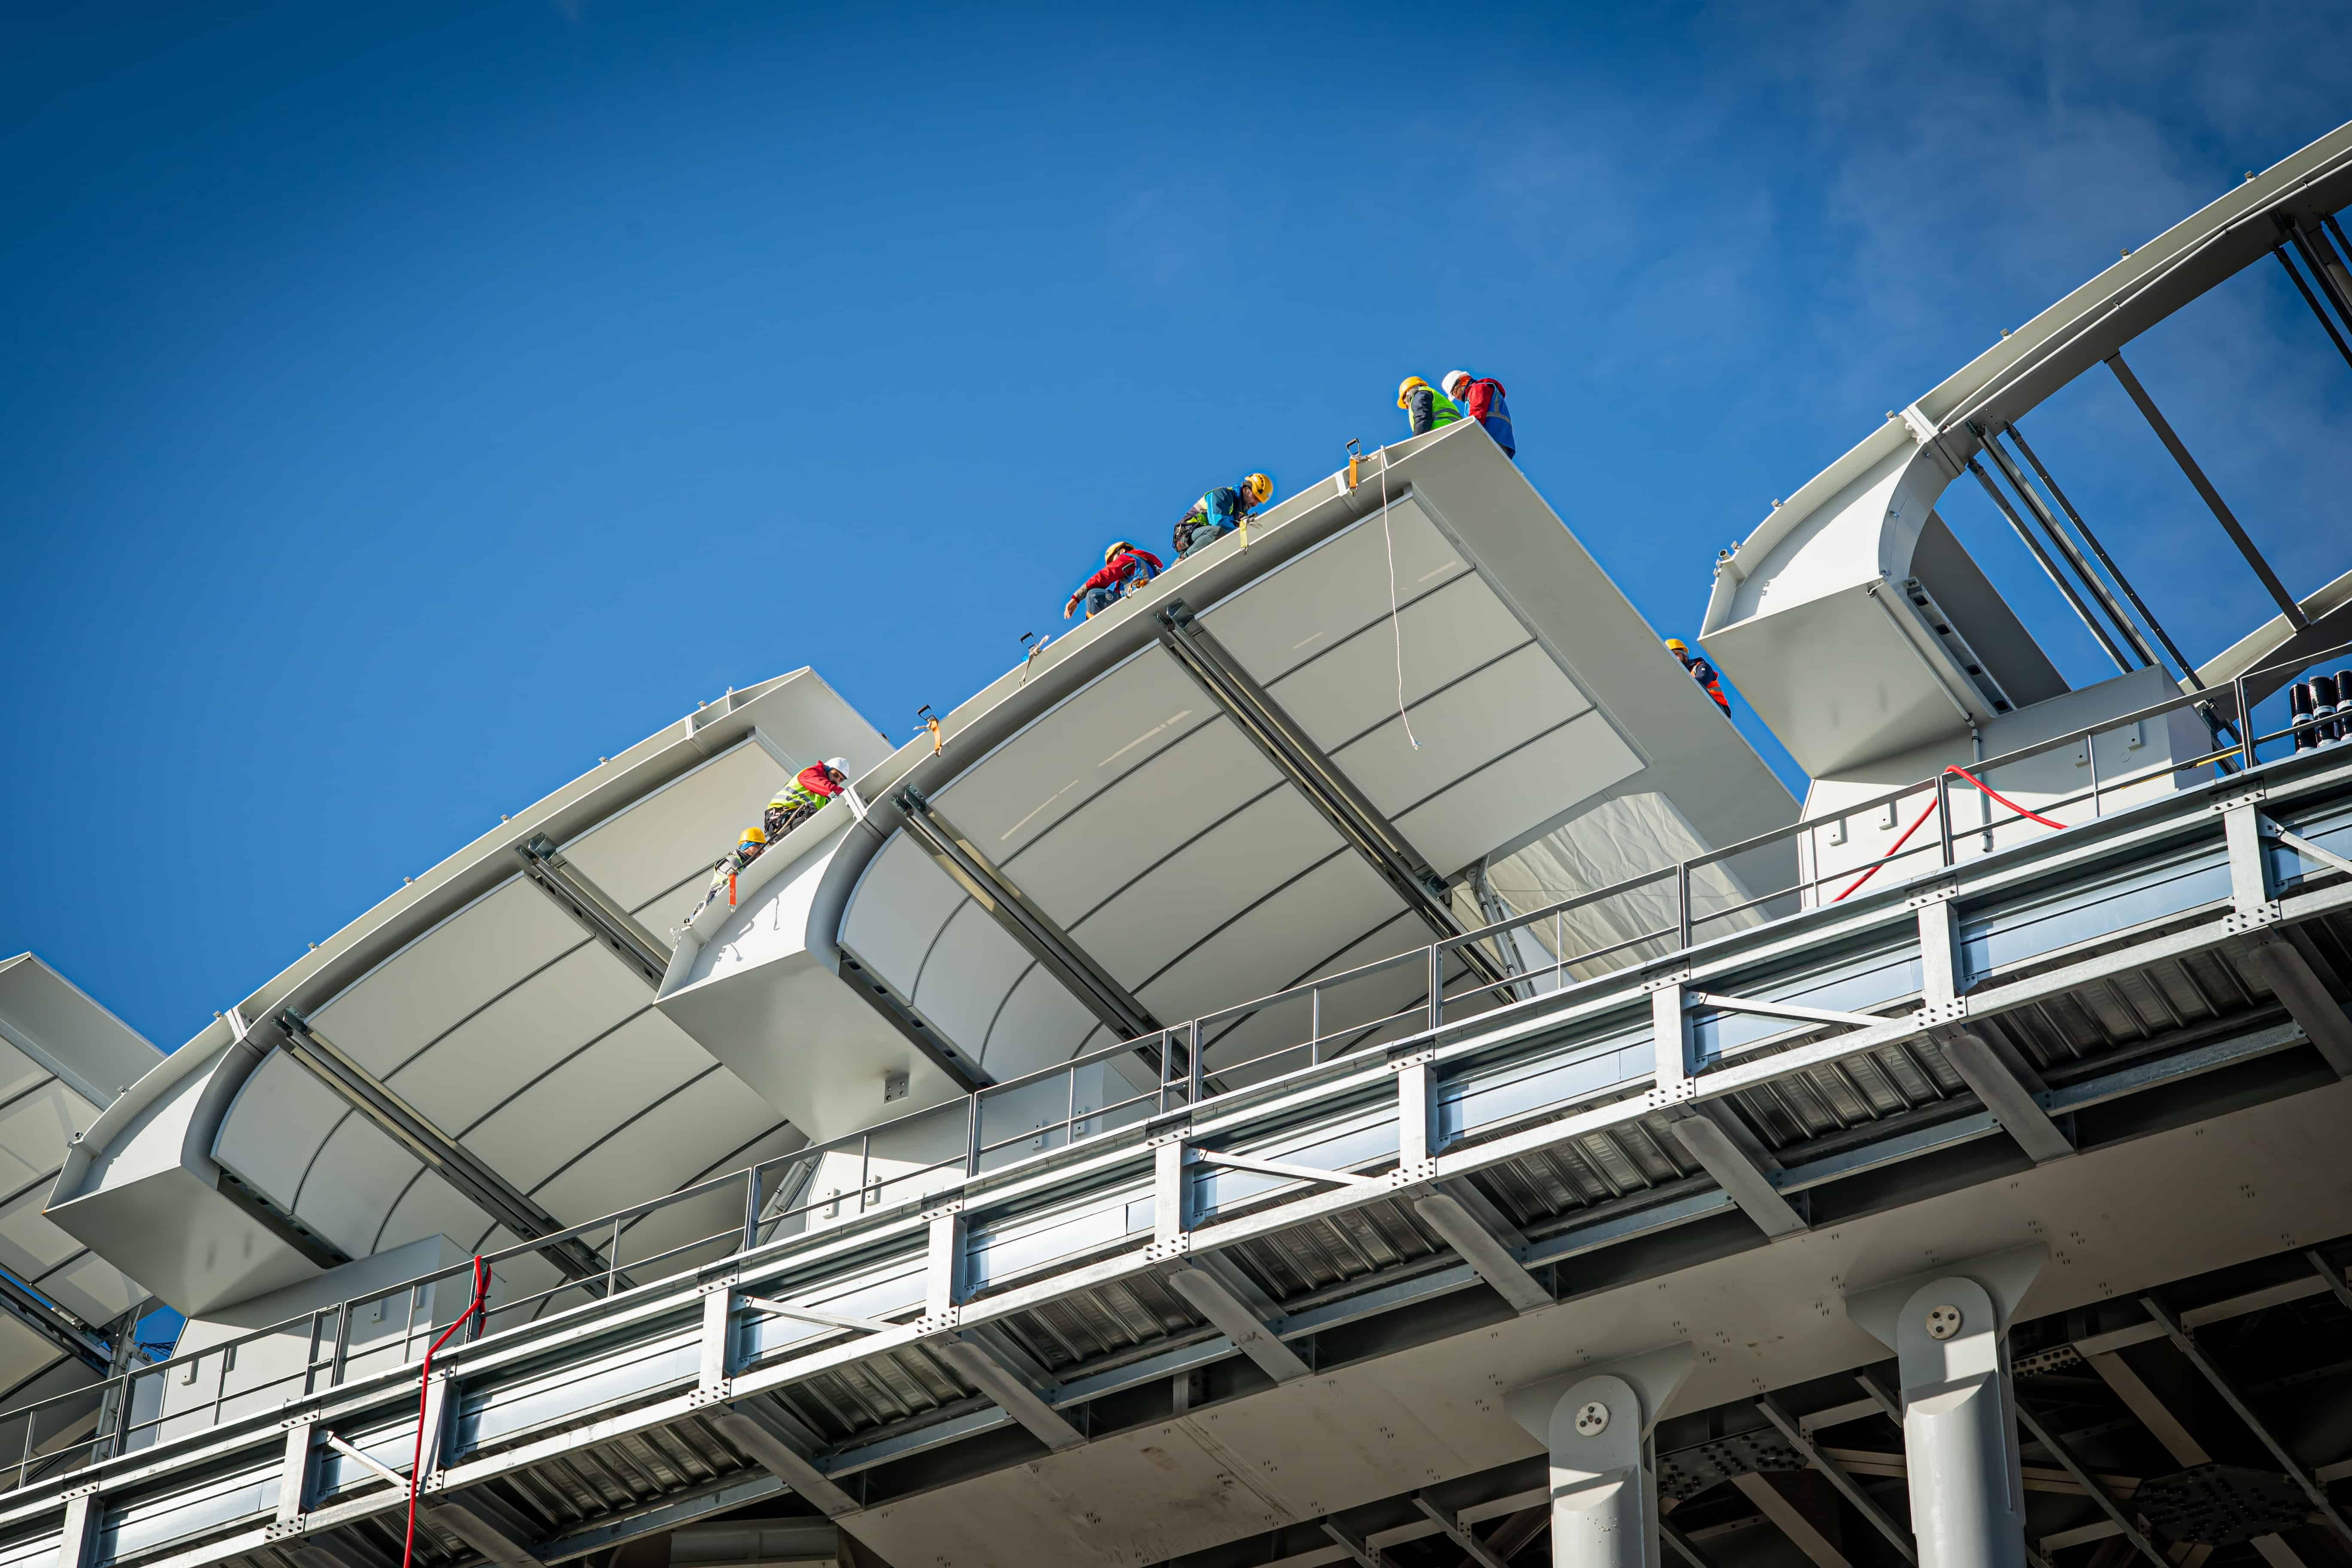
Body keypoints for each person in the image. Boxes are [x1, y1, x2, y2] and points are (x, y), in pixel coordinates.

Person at [1174, 474, 1273, 557]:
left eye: (1259, 502)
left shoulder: (1239, 513)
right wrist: (1241, 530)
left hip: (1204, 539)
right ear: (1247, 489)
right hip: (1186, 536)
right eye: (1256, 498)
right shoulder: (1222, 495)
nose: (1255, 504)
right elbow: (1219, 523)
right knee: (1218, 532)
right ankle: (1183, 559)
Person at [687, 823, 768, 923]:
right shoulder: (732, 861)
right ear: (746, 846)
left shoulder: (747, 864)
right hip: (718, 905)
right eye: (757, 847)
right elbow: (735, 881)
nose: (762, 851)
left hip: (734, 905)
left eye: (763, 847)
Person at [1064, 541, 1164, 619]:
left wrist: (1076, 598)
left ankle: (1092, 633)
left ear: (1122, 551)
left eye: (1113, 560)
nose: (1113, 563)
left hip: (1135, 602)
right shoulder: (1145, 566)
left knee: (1094, 596)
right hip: (1146, 600)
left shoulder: (1127, 557)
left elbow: (1104, 576)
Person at [767, 758, 851, 840]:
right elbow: (828, 788)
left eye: (841, 780)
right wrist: (850, 795)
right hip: (779, 818)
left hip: (797, 819)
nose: (837, 781)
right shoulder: (811, 773)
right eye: (835, 775)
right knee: (812, 817)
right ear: (826, 769)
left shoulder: (825, 798)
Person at [1440, 371, 1514, 460]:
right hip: (1498, 441)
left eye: (1455, 392)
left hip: (1491, 439)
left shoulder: (1478, 388)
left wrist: (1464, 441)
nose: (1457, 398)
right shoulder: (1474, 395)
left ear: (1461, 382)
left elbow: (1477, 416)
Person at [1666, 639, 1730, 715]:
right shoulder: (1676, 678)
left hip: (1719, 708)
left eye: (1676, 654)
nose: (1673, 658)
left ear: (1685, 655)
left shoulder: (1700, 667)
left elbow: (1699, 684)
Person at [1398, 376, 1463, 437]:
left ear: (1409, 392)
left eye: (1405, 400)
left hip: (1441, 434)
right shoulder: (1438, 398)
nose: (1407, 404)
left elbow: (1422, 419)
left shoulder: (1420, 395)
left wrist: (1416, 442)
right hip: (1460, 431)